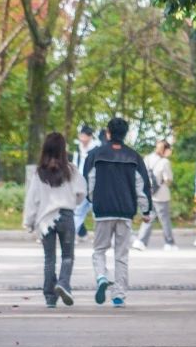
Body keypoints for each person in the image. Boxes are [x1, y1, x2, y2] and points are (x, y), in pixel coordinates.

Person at [83, 117, 152, 308]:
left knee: (99, 250)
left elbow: (89, 182)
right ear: (126, 133)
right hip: (125, 212)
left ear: (108, 132)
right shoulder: (134, 157)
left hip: (103, 210)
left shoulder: (95, 155)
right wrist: (146, 210)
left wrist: (93, 199)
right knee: (121, 255)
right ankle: (118, 295)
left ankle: (102, 277)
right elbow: (142, 186)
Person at [23, 132, 88, 308]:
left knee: (49, 259)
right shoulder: (71, 170)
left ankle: (50, 297)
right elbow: (82, 192)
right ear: (63, 150)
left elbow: (32, 199)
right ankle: (63, 283)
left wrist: (29, 222)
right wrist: (74, 201)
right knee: (67, 256)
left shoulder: (39, 173)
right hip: (66, 216)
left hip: (45, 221)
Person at [133, 139, 175, 251]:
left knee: (149, 217)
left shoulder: (147, 158)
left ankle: (140, 241)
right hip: (162, 195)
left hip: (149, 193)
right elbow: (168, 179)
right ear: (165, 150)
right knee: (165, 220)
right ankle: (169, 243)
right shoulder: (165, 162)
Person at [71, 124, 99, 240]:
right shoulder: (78, 150)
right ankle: (72, 236)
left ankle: (99, 237)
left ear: (89, 137)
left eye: (83, 136)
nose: (81, 138)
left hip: (94, 185)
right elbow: (74, 165)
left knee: (96, 213)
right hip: (80, 184)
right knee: (78, 211)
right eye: (80, 136)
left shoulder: (97, 149)